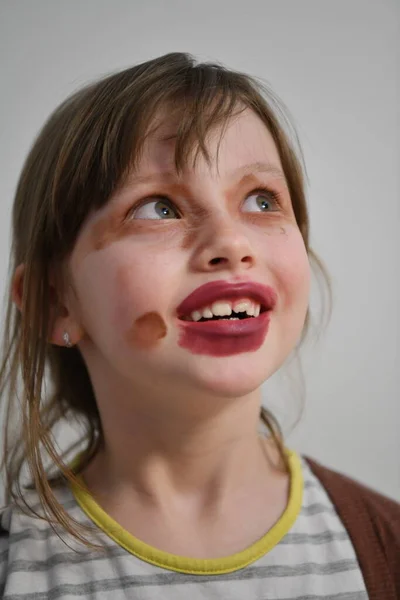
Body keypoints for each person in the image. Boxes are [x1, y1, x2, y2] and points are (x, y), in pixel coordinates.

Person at [0, 52, 398, 600]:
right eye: (158, 207)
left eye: (262, 201)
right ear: (54, 302)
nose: (232, 244)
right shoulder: (14, 567)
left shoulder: (384, 548)